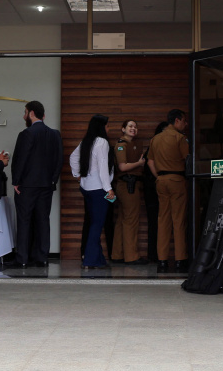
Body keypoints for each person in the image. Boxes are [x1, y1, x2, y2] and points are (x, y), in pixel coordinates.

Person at [10, 100, 62, 268]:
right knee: (43, 220)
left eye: (25, 112)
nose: (24, 116)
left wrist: (16, 181)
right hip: (46, 185)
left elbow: (20, 159)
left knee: (24, 220)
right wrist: (53, 180)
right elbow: (59, 160)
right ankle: (42, 257)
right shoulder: (55, 134)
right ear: (43, 115)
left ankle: (22, 259)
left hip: (27, 185)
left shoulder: (26, 134)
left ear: (31, 113)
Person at [69, 114, 115, 269]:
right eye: (107, 126)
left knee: (93, 223)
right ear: (101, 127)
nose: (109, 129)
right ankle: (89, 260)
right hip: (99, 189)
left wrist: (78, 175)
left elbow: (73, 157)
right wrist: (109, 188)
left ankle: (98, 259)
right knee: (97, 224)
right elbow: (103, 167)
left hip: (86, 187)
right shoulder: (102, 142)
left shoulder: (87, 141)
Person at [148, 109, 190, 273]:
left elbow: (150, 161)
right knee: (178, 220)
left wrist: (159, 176)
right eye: (184, 121)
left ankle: (162, 261)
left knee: (163, 220)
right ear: (177, 121)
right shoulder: (180, 138)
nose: (185, 124)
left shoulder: (155, 139)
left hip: (161, 181)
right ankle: (180, 260)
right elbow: (188, 160)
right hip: (177, 180)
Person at [113, 119, 147, 265]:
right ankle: (131, 256)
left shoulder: (133, 144)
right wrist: (139, 163)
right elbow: (122, 167)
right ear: (123, 129)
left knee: (122, 220)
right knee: (131, 221)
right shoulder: (121, 145)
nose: (133, 128)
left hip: (128, 185)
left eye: (135, 127)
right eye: (130, 126)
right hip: (128, 185)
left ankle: (118, 254)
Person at [142, 121, 169, 262]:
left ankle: (156, 255)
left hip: (153, 188)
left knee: (156, 222)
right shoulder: (157, 146)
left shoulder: (153, 145)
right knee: (157, 222)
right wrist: (159, 178)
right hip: (155, 189)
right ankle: (156, 255)